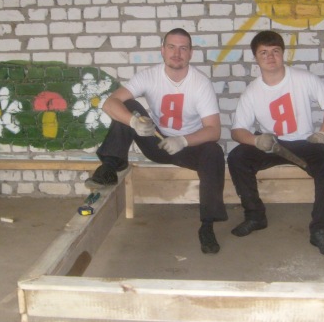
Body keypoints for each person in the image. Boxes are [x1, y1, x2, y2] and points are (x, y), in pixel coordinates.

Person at [87, 28, 228, 254]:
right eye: (171, 47)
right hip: (157, 141)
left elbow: (214, 130)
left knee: (214, 152)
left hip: (187, 147)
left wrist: (183, 140)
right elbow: (109, 103)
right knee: (128, 106)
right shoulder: (149, 76)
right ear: (162, 50)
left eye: (183, 48)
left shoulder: (201, 83)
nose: (177, 53)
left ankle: (207, 226)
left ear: (191, 53)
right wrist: (133, 122)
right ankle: (109, 166)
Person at [227, 30, 324, 256]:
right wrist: (256, 140)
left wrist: (323, 134)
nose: (270, 57)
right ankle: (255, 216)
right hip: (271, 145)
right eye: (263, 53)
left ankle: (320, 229)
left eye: (275, 51)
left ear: (283, 54)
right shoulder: (252, 92)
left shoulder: (303, 78)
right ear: (256, 58)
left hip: (304, 143)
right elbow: (237, 130)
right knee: (237, 157)